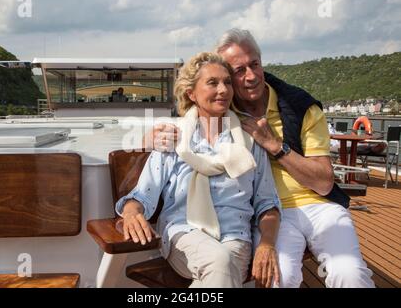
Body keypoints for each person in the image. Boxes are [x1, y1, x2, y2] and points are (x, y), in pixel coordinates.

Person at [145, 29, 375, 288]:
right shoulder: (226, 108)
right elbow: (192, 108)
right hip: (274, 215)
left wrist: (275, 146)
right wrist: (151, 136)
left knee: (350, 274)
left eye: (255, 64)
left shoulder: (301, 107)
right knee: (278, 278)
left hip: (320, 206)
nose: (250, 76)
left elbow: (323, 183)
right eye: (238, 71)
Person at [116, 52, 281, 288]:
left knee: (221, 266)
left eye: (226, 82)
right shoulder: (173, 138)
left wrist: (267, 243)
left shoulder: (250, 141)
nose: (223, 90)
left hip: (236, 238)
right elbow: (143, 194)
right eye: (213, 83)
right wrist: (131, 212)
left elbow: (267, 203)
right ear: (191, 93)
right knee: (219, 261)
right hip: (184, 234)